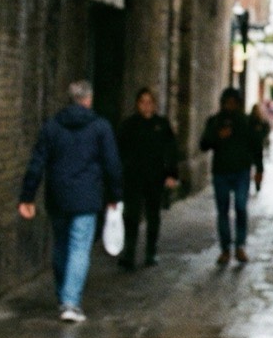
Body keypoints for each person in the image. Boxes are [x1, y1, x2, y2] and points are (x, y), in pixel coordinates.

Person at [19, 80, 122, 324]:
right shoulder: (100, 127)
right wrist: (114, 195)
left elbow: (37, 163)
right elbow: (112, 164)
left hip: (58, 196)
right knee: (79, 248)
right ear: (88, 99)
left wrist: (27, 196)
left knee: (61, 245)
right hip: (86, 198)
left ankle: (63, 295)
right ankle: (70, 302)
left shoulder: (52, 127)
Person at [115, 88, 179, 270]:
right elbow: (120, 150)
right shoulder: (129, 125)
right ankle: (129, 252)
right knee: (131, 215)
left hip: (155, 177)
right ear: (137, 104)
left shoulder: (162, 125)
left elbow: (171, 151)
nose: (146, 105)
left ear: (154, 104)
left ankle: (151, 251)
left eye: (149, 101)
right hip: (133, 177)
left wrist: (171, 174)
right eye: (142, 101)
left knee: (153, 215)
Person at [200, 88, 263, 265]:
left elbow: (256, 145)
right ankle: (225, 248)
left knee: (241, 207)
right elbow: (204, 144)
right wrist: (217, 136)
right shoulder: (215, 121)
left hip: (241, 171)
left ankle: (240, 245)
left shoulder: (246, 122)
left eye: (233, 102)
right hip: (221, 172)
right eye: (227, 102)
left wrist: (259, 169)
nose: (230, 105)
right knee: (223, 211)